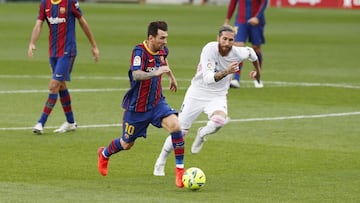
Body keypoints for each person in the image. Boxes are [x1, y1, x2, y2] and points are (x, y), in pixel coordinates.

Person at [153, 25, 261, 176]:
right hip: (197, 93)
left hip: (217, 96)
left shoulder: (237, 52)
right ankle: (161, 161)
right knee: (179, 132)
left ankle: (202, 134)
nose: (227, 43)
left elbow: (252, 53)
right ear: (218, 39)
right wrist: (228, 72)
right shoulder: (209, 50)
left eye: (231, 40)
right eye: (224, 39)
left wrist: (258, 73)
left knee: (219, 121)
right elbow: (209, 79)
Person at [97, 21, 185, 188]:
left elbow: (164, 61)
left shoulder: (162, 49)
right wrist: (155, 73)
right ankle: (104, 154)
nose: (165, 41)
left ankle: (180, 171)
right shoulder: (139, 52)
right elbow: (136, 74)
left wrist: (171, 77)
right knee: (126, 143)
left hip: (157, 103)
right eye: (162, 38)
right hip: (137, 108)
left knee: (175, 126)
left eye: (166, 37)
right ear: (151, 38)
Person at [28, 0, 99, 134]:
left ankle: (40, 123)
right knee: (61, 85)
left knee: (54, 85)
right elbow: (39, 24)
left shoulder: (70, 2)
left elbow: (83, 22)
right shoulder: (45, 4)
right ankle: (71, 122)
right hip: (53, 52)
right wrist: (32, 42)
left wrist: (94, 46)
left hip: (68, 51)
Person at [223, 0, 268, 88]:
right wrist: (227, 19)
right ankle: (236, 78)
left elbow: (264, 2)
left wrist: (257, 17)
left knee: (256, 48)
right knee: (238, 47)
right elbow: (233, 3)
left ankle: (257, 76)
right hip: (241, 21)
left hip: (256, 22)